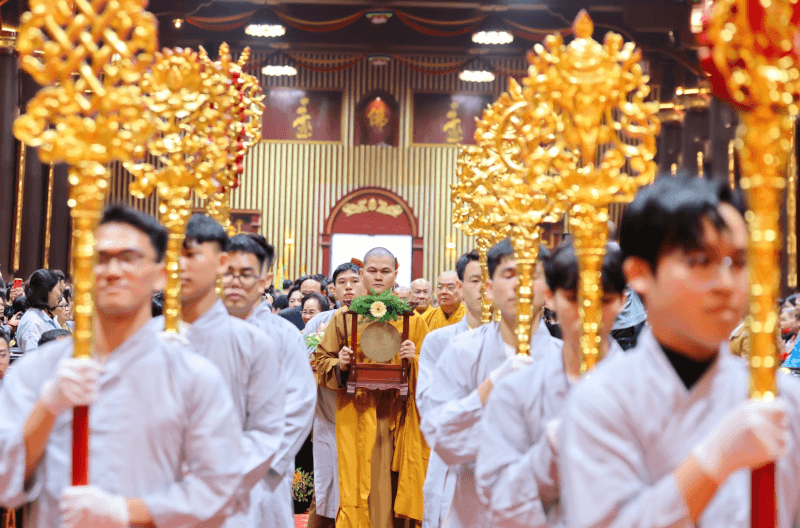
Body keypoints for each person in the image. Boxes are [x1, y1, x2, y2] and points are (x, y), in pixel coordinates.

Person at [558, 175, 800, 527]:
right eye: (700, 260)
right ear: (640, 272)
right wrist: (712, 460)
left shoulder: (783, 398)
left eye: (738, 262)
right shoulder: (600, 401)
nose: (726, 284)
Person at [0, 204, 247, 527]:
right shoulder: (39, 371)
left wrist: (128, 511)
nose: (112, 270)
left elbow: (221, 489)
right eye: (100, 259)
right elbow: (4, 482)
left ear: (160, 274)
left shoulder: (192, 375)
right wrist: (47, 409)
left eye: (128, 258)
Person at [475, 241, 626, 528]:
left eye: (603, 300)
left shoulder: (646, 389)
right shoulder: (515, 391)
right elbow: (499, 501)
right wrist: (552, 448)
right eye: (573, 298)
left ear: (623, 300)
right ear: (550, 298)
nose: (588, 314)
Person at [419, 239, 553, 528]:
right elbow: (440, 439)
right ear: (489, 289)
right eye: (510, 274)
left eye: (533, 274)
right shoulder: (461, 352)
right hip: (474, 507)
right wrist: (488, 388)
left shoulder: (564, 358)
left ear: (549, 290)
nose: (522, 284)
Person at [164, 214, 287, 526]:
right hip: (154, 499)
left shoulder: (254, 343)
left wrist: (209, 481)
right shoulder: (146, 338)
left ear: (220, 262)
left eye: (190, 254)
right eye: (171, 255)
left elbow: (266, 433)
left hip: (224, 502)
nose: (179, 265)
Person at [315, 247, 429, 528]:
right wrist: (339, 364)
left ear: (396, 274)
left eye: (385, 271)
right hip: (357, 413)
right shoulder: (344, 318)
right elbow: (321, 361)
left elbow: (434, 371)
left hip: (399, 416)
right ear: (362, 273)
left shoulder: (413, 320)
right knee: (358, 484)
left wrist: (414, 359)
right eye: (372, 271)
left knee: (394, 485)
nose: (378, 278)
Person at [221, 232, 316, 528]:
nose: (235, 282)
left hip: (263, 475)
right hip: (203, 470)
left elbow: (299, 404)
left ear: (265, 279)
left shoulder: (284, 335)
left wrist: (256, 462)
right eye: (228, 273)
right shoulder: (199, 329)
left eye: (246, 274)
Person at [417, 250, 485, 528]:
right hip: (452, 464)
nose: (486, 288)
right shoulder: (438, 342)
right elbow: (432, 415)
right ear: (461, 286)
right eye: (477, 280)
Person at [303, 261, 365, 528]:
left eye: (354, 281)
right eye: (342, 282)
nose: (348, 287)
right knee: (326, 482)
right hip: (327, 411)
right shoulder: (319, 322)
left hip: (362, 411)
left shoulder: (375, 318)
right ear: (332, 290)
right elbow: (304, 359)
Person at [15, 269, 61, 353]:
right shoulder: (32, 321)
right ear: (47, 290)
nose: (59, 293)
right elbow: (32, 356)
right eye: (58, 288)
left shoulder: (48, 316)